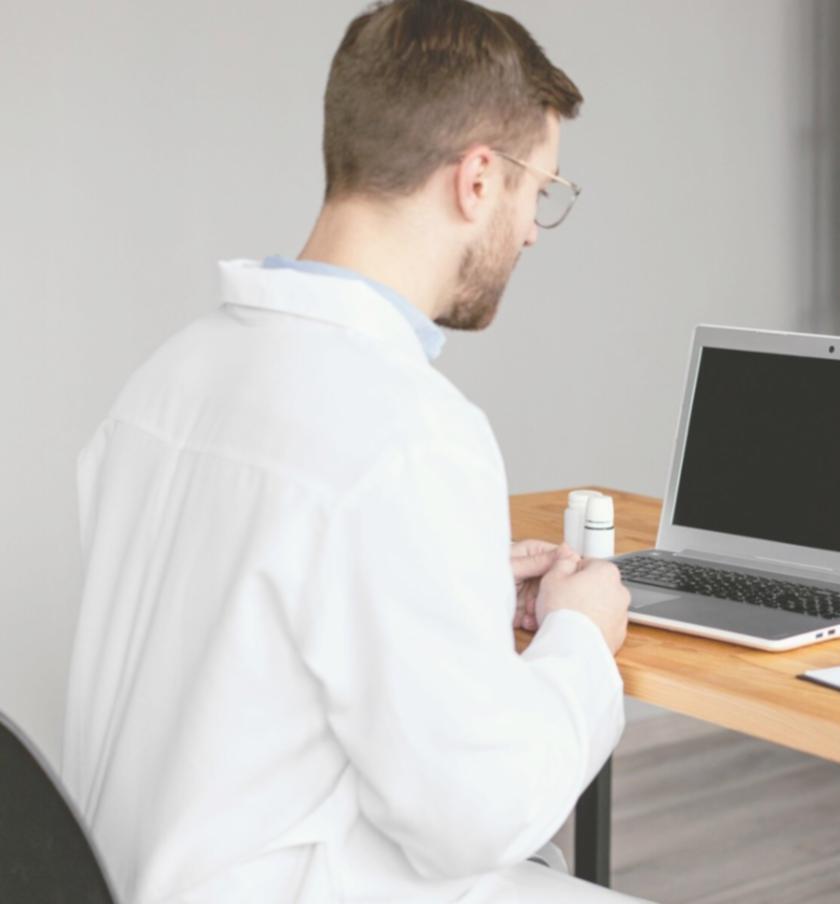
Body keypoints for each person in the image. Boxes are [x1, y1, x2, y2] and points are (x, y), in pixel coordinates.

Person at [60, 1, 641, 901]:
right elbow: (478, 814)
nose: (533, 228)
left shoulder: (168, 380)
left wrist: (457, 584)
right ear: (477, 180)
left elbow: (247, 632)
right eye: (541, 191)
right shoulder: (410, 434)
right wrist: (580, 637)